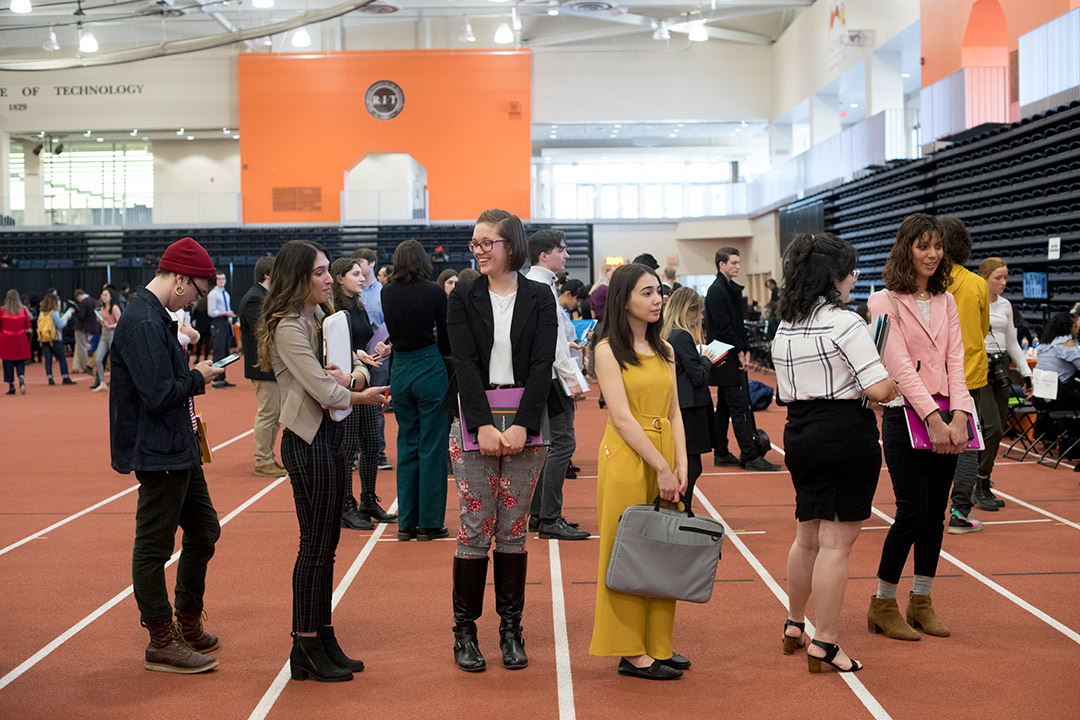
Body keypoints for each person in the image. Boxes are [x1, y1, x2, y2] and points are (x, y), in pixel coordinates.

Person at [257, 239, 387, 683]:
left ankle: (323, 637)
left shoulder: (320, 318)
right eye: (319, 272)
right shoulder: (289, 326)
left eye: (328, 270)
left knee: (327, 543)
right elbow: (326, 388)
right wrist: (361, 393)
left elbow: (354, 365)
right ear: (297, 277)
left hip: (331, 433)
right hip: (308, 441)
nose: (329, 278)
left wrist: (355, 377)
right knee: (314, 546)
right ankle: (305, 643)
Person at [772, 233, 898, 674]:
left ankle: (794, 624)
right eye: (850, 272)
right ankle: (824, 641)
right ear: (834, 277)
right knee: (836, 546)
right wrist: (896, 381)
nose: (854, 279)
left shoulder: (785, 324)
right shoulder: (845, 323)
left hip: (799, 432)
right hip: (844, 432)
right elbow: (879, 388)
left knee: (806, 536)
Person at [444, 209, 558, 673]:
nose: (479, 249)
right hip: (476, 421)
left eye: (487, 242)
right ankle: (464, 632)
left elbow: (541, 366)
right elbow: (464, 365)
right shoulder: (464, 296)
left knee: (514, 529)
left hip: (526, 425)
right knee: (475, 528)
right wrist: (484, 424)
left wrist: (521, 426)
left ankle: (511, 629)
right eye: (474, 243)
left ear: (511, 244)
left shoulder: (540, 296)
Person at [109, 237, 225, 674]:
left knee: (205, 530)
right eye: (196, 288)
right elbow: (158, 394)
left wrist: (193, 377)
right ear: (179, 279)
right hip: (159, 449)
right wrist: (198, 376)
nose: (196, 297)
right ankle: (161, 637)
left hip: (178, 445)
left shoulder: (155, 316)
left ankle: (187, 620)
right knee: (154, 546)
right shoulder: (142, 321)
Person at [866, 213, 970, 642]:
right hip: (904, 416)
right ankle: (882, 602)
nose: (932, 254)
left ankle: (921, 600)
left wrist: (961, 414)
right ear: (905, 248)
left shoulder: (947, 301)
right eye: (923, 245)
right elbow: (899, 367)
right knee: (911, 511)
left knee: (935, 516)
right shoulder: (882, 301)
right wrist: (932, 418)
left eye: (938, 246)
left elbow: (957, 362)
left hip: (949, 417)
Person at [589, 263, 688, 680]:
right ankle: (630, 651)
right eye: (646, 293)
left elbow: (675, 412)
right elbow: (624, 419)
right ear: (623, 299)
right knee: (628, 550)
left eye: (659, 293)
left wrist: (682, 465)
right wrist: (663, 466)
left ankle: (658, 644)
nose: (657, 300)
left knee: (664, 551)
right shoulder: (607, 349)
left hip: (665, 452)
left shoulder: (665, 349)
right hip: (629, 456)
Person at [381, 241, 451, 540]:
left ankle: (406, 523)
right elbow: (446, 337)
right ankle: (430, 523)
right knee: (432, 446)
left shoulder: (387, 292)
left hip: (400, 369)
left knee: (407, 442)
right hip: (429, 365)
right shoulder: (434, 292)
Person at [525, 230, 590, 541]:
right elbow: (553, 344)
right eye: (561, 250)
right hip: (550, 378)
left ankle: (540, 514)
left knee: (546, 446)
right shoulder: (542, 288)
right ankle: (549, 517)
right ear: (543, 256)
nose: (566, 256)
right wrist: (572, 380)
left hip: (540, 377)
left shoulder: (534, 284)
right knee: (562, 444)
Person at [940, 217, 997, 535]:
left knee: (927, 442)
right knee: (967, 445)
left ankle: (924, 506)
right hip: (969, 376)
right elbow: (983, 327)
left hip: (933, 378)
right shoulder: (977, 284)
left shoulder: (929, 283)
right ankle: (959, 510)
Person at [330, 256, 396, 530]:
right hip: (346, 386)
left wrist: (382, 349)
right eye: (355, 274)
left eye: (361, 273)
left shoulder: (359, 306)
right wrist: (356, 354)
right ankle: (346, 505)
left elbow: (367, 337)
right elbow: (334, 348)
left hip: (365, 379)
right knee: (347, 449)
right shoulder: (333, 311)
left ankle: (368, 498)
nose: (361, 278)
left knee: (371, 444)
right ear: (339, 278)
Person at [705, 247, 780, 471]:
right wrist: (739, 350)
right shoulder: (717, 291)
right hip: (724, 355)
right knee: (739, 407)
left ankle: (721, 452)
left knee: (726, 408)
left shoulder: (727, 289)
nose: (738, 266)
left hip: (729, 353)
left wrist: (745, 349)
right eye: (733, 263)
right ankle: (749, 455)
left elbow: (737, 324)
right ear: (721, 265)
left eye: (738, 262)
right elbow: (724, 327)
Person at [977, 257, 1032, 510]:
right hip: (979, 368)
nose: (1003, 282)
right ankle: (978, 482)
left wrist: (1025, 373)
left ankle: (983, 481)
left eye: (1005, 277)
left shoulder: (1006, 305)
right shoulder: (973, 300)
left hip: (1000, 368)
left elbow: (1012, 341)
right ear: (985, 278)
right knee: (993, 427)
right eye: (998, 277)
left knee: (998, 427)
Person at [662, 287, 718, 510]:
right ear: (690, 309)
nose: (700, 317)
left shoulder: (666, 332)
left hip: (679, 402)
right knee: (691, 464)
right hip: (690, 406)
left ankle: (680, 507)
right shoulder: (681, 335)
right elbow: (698, 376)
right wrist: (706, 359)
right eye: (698, 312)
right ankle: (682, 507)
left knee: (684, 462)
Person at [240, 256, 287, 478]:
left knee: (274, 413)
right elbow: (265, 330)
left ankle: (268, 456)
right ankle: (262, 459)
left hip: (270, 365)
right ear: (268, 274)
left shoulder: (264, 296)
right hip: (263, 366)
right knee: (268, 413)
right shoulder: (254, 299)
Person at [351, 248, 391, 471]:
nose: (357, 265)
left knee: (376, 405)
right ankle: (355, 452)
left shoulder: (383, 292)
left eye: (361, 262)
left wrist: (387, 346)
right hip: (356, 356)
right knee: (354, 403)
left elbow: (391, 324)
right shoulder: (353, 292)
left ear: (372, 264)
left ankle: (378, 453)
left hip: (378, 357)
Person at [1033, 312, 1080, 408]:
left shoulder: (1046, 343)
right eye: (1075, 327)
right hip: (1055, 396)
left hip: (1037, 396)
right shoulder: (1066, 343)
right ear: (1068, 328)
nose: (1077, 330)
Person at [37, 293, 75, 386]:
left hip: (44, 338)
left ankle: (50, 378)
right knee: (61, 358)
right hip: (55, 338)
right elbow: (60, 325)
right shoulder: (54, 312)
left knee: (48, 359)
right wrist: (66, 319)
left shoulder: (41, 313)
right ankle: (65, 377)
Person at [207, 272, 236, 388]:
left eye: (223, 278)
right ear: (215, 280)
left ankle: (222, 378)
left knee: (225, 353)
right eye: (219, 279)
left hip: (225, 323)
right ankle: (215, 380)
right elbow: (211, 312)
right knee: (218, 352)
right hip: (218, 323)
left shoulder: (226, 294)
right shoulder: (213, 294)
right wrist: (226, 313)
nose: (221, 281)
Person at [91, 286, 121, 391]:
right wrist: (100, 320)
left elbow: (120, 323)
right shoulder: (102, 307)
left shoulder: (114, 308)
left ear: (110, 296)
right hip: (104, 335)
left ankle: (116, 384)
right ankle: (102, 382)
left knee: (113, 361)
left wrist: (111, 326)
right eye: (102, 295)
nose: (103, 297)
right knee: (98, 359)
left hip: (112, 335)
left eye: (105, 295)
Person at [1, 289, 31, 395]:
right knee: (20, 362)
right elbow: (28, 325)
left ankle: (11, 385)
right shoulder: (22, 310)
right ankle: (21, 377)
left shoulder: (2, 310)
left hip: (6, 340)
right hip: (20, 339)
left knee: (7, 363)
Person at [71, 288, 100, 374]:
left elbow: (81, 316)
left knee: (81, 347)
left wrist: (74, 312)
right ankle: (75, 366)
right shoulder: (94, 301)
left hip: (81, 327)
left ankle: (85, 365)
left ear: (78, 296)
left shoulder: (83, 303)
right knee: (79, 346)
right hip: (91, 327)